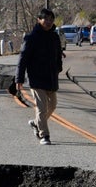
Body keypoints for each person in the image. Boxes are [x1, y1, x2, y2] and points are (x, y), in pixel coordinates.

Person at [15, 8, 63, 145]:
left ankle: (36, 124)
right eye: (45, 19)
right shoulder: (31, 38)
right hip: (36, 79)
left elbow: (58, 54)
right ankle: (44, 135)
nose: (48, 22)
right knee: (41, 108)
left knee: (52, 105)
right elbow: (22, 59)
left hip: (51, 78)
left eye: (50, 19)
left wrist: (58, 68)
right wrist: (19, 79)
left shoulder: (54, 37)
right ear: (39, 20)